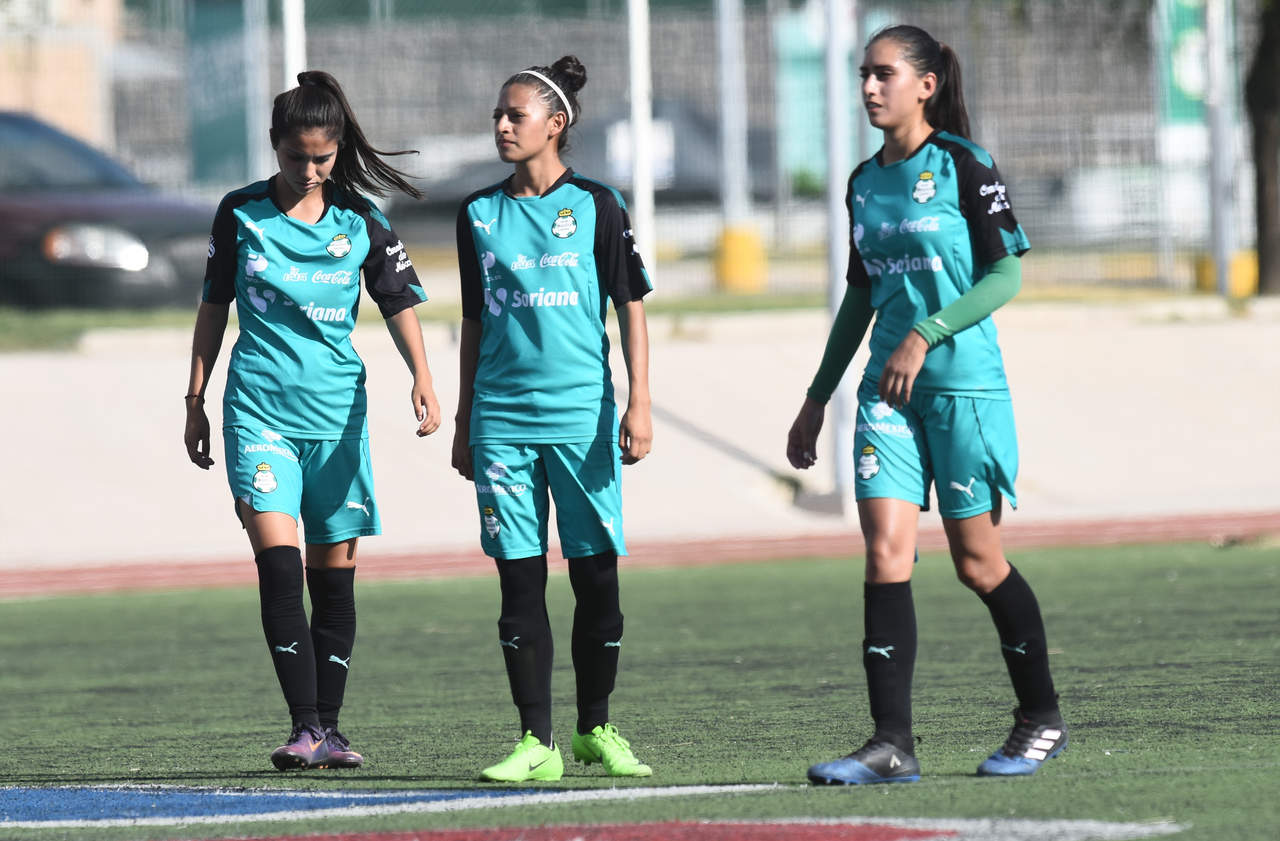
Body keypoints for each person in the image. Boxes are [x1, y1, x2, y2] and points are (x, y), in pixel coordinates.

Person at [787, 25, 1067, 784]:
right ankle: (891, 743)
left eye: (884, 75)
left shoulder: (964, 166)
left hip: (963, 390)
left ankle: (1040, 718)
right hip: (886, 396)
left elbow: (1005, 275)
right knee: (885, 553)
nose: (870, 88)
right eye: (863, 76)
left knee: (978, 564)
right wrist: (818, 396)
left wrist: (927, 333)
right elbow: (860, 298)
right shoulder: (861, 181)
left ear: (927, 84)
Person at [183, 70, 441, 771]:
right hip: (260, 412)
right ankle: (303, 727)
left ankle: (331, 728)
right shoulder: (239, 213)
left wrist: (422, 376)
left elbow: (397, 302)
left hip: (338, 420)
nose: (308, 169)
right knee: (278, 566)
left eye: (321, 158)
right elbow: (214, 306)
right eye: (296, 156)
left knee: (334, 581)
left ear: (337, 151)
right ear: (275, 146)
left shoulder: (361, 220)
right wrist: (196, 397)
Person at [452, 55, 653, 783]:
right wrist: (465, 417)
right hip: (502, 421)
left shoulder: (599, 205)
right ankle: (535, 742)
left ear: (556, 124)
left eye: (517, 115)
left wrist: (638, 400)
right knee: (518, 580)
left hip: (583, 417)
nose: (502, 125)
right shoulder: (477, 213)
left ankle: (596, 726)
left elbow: (629, 304)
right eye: (499, 115)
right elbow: (473, 321)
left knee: (597, 578)